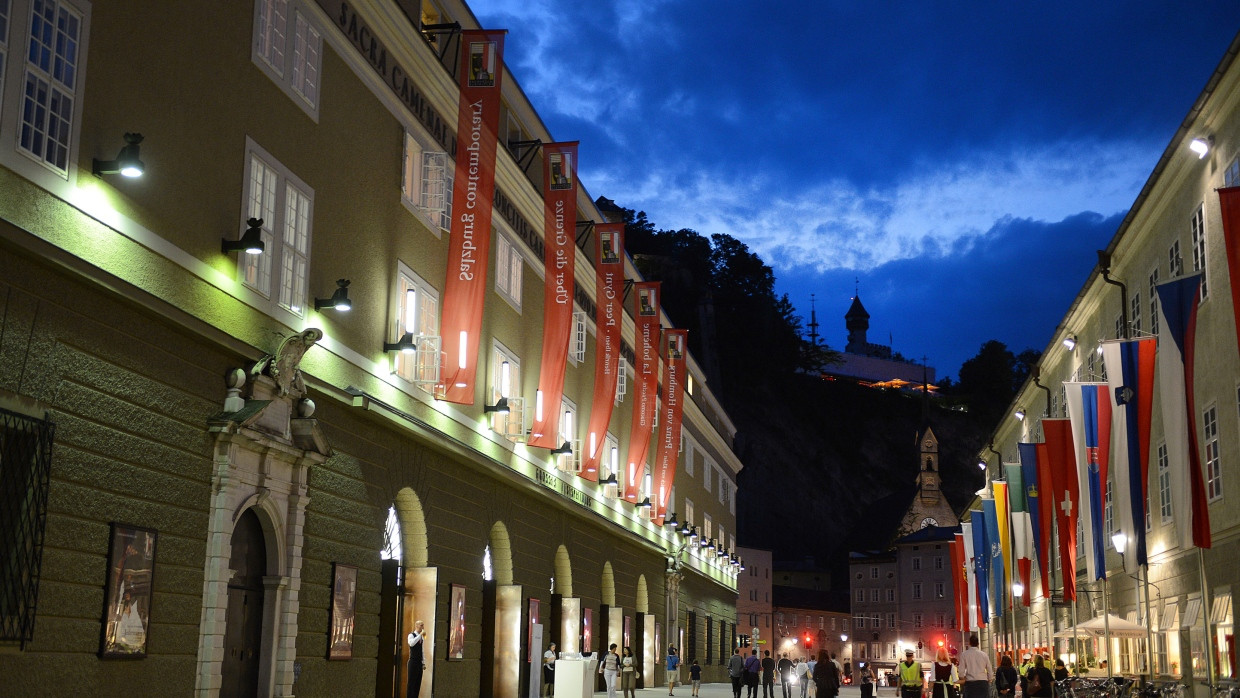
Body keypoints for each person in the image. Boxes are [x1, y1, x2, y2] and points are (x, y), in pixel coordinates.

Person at [406, 620, 426, 698]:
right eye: (421, 625)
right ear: (417, 626)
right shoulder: (411, 635)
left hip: (419, 662)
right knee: (411, 683)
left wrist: (423, 662)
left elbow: (422, 650)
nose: (423, 627)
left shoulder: (422, 637)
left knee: (418, 683)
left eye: (423, 625)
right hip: (413, 662)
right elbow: (411, 643)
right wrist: (419, 635)